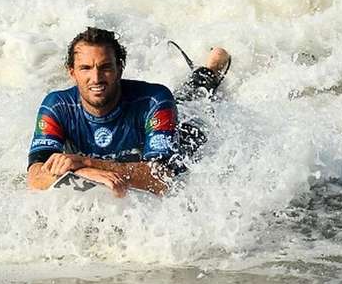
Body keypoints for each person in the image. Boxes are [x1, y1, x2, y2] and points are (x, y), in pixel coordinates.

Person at [27, 27, 230, 196]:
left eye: (105, 67)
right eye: (86, 68)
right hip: (120, 165)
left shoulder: (154, 100)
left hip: (183, 134)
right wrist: (88, 171)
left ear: (120, 68)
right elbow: (35, 177)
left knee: (196, 97)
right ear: (72, 72)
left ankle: (212, 67)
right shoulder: (57, 106)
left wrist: (85, 162)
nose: (96, 78)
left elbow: (162, 179)